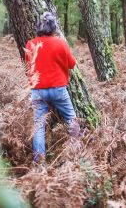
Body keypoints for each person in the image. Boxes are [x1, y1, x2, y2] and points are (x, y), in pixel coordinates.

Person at [25, 12, 80, 163]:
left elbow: (28, 67)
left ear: (38, 27)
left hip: (38, 91)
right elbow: (72, 64)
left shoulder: (31, 44)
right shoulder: (61, 42)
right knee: (71, 119)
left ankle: (39, 163)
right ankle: (76, 157)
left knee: (39, 126)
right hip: (58, 90)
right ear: (54, 27)